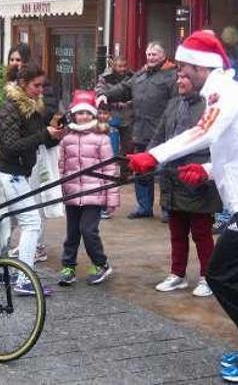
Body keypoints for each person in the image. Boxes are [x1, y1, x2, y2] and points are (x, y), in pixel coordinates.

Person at [128, 31, 238, 382]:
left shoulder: (223, 93)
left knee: (221, 276)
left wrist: (153, 155)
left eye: (186, 68)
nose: (181, 74)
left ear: (204, 67)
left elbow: (202, 133)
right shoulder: (231, 93)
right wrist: (205, 170)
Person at [149, 69, 222, 297]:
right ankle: (177, 274)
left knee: (201, 233)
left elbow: (213, 144)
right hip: (172, 178)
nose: (180, 81)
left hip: (196, 178)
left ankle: (207, 277)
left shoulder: (208, 107)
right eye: (179, 77)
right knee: (176, 232)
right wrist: (150, 156)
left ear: (198, 80)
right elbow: (160, 135)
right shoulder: (172, 104)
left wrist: (204, 170)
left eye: (185, 77)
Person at [0, 63, 63, 295]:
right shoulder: (10, 108)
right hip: (10, 173)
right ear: (23, 84)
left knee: (9, 221)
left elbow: (38, 137)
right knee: (31, 222)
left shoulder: (32, 106)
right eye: (36, 85)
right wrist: (45, 134)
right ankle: (23, 279)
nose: (40, 90)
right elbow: (11, 145)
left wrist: (54, 135)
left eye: (42, 85)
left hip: (17, 173)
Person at [97, 42, 177, 219]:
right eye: (148, 54)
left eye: (154, 54)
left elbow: (175, 104)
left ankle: (167, 209)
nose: (150, 57)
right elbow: (125, 88)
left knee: (164, 173)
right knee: (141, 171)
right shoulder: (141, 74)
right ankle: (144, 207)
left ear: (163, 56)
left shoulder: (172, 76)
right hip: (140, 130)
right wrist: (105, 95)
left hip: (162, 133)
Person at [56, 90, 118, 287]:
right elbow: (62, 166)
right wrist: (60, 190)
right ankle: (68, 266)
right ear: (73, 114)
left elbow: (110, 168)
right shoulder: (66, 139)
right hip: (73, 193)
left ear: (93, 115)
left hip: (94, 193)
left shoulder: (102, 139)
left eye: (87, 113)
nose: (83, 117)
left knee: (88, 230)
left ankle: (101, 263)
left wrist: (112, 198)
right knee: (72, 231)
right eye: (79, 113)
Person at [95, 55, 134, 156]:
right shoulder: (105, 78)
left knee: (128, 147)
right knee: (110, 146)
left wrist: (132, 102)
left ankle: (125, 170)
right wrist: (117, 104)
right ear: (114, 66)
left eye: (124, 66)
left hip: (128, 117)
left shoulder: (132, 76)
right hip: (111, 116)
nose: (122, 69)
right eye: (119, 66)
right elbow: (100, 94)